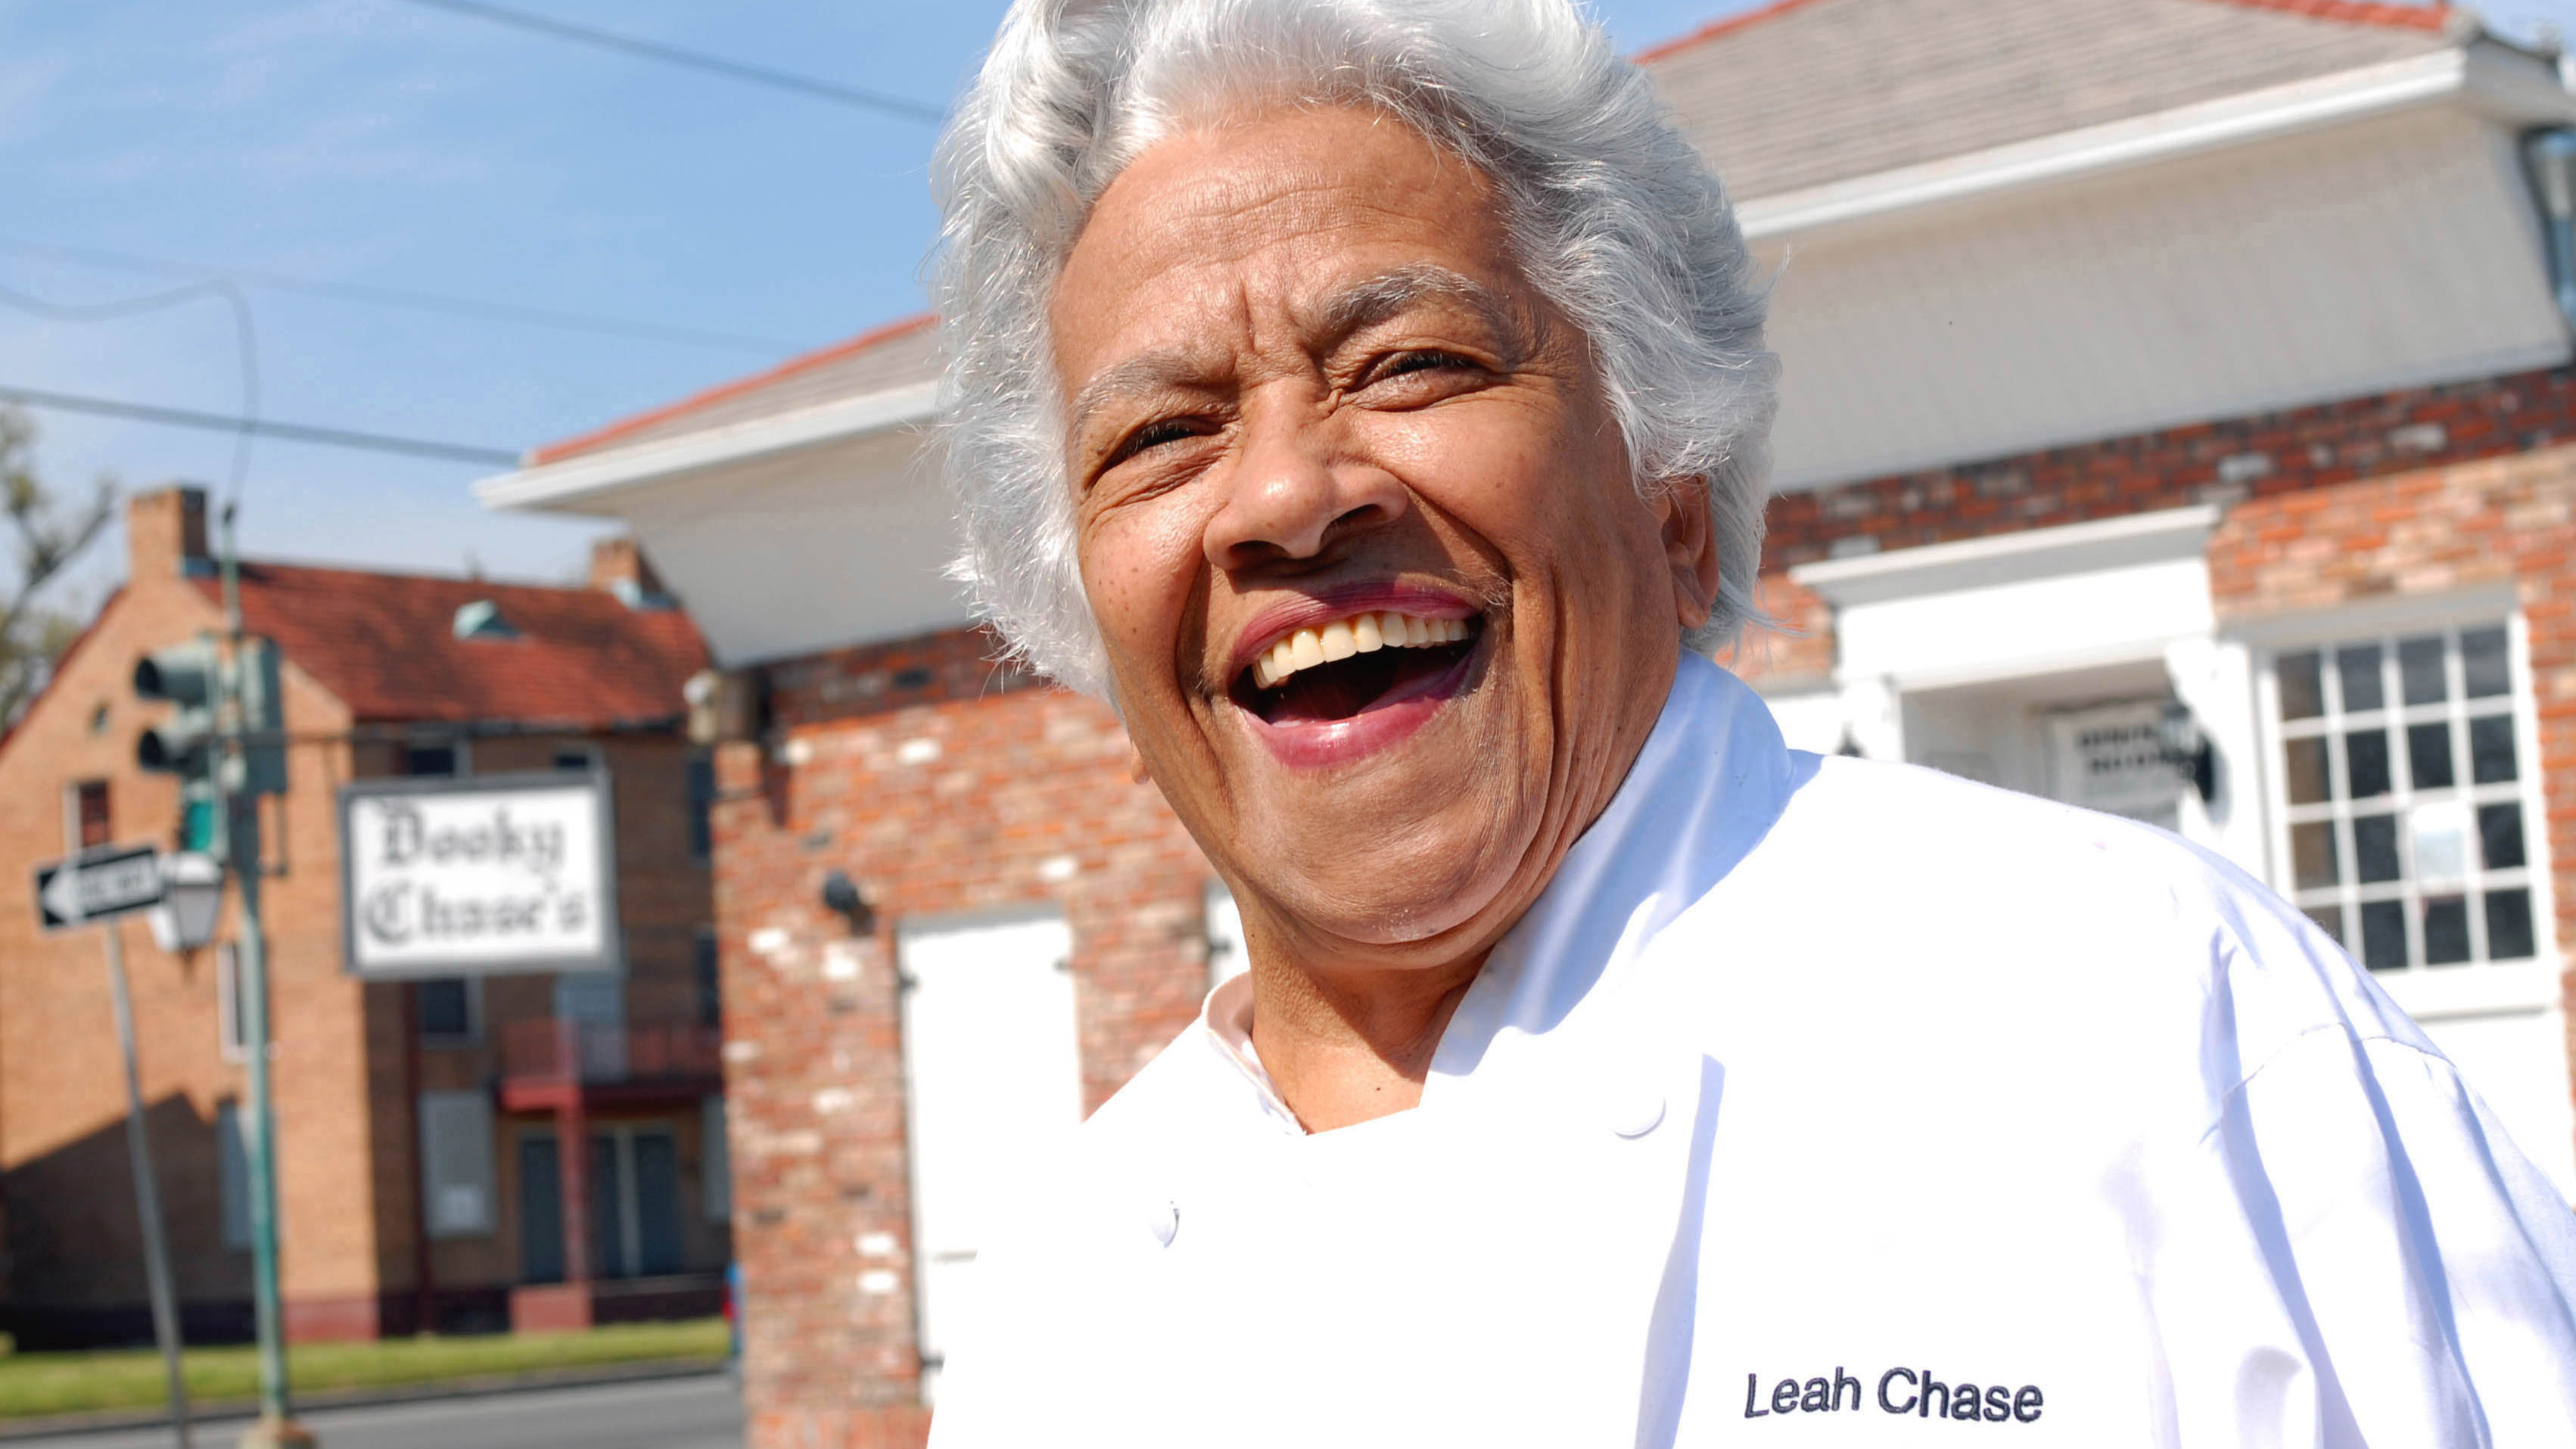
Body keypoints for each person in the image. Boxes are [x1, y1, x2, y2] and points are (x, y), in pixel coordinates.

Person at [922, 1, 2576, 1442]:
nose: (1283, 494)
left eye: (1406, 361)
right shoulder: (1064, 1296)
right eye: (1160, 436)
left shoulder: (2145, 1026)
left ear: (1675, 498)